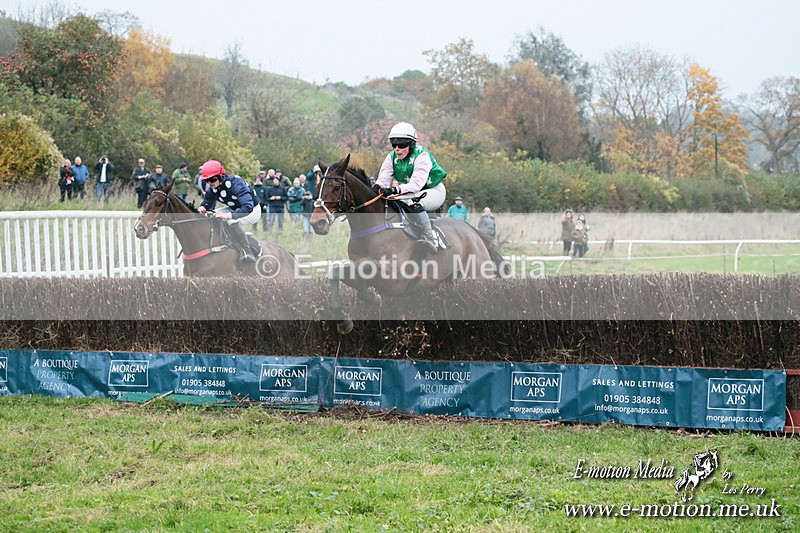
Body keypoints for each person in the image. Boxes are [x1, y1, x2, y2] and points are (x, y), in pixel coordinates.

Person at [373, 122, 447, 253]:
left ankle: (430, 238)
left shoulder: (422, 155)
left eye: (401, 145)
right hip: (409, 192)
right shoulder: (391, 157)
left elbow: (416, 184)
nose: (397, 149)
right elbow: (383, 179)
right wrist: (376, 189)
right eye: (394, 145)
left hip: (433, 190)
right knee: (390, 201)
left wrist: (394, 190)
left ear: (412, 144)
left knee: (414, 202)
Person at [196, 159, 261, 263]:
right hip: (235, 208)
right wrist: (203, 207)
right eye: (206, 180)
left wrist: (228, 215)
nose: (209, 183)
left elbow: (248, 207)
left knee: (230, 220)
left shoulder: (236, 183)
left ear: (220, 176)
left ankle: (247, 251)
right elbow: (207, 203)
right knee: (212, 215)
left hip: (252, 210)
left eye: (212, 179)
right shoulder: (213, 189)